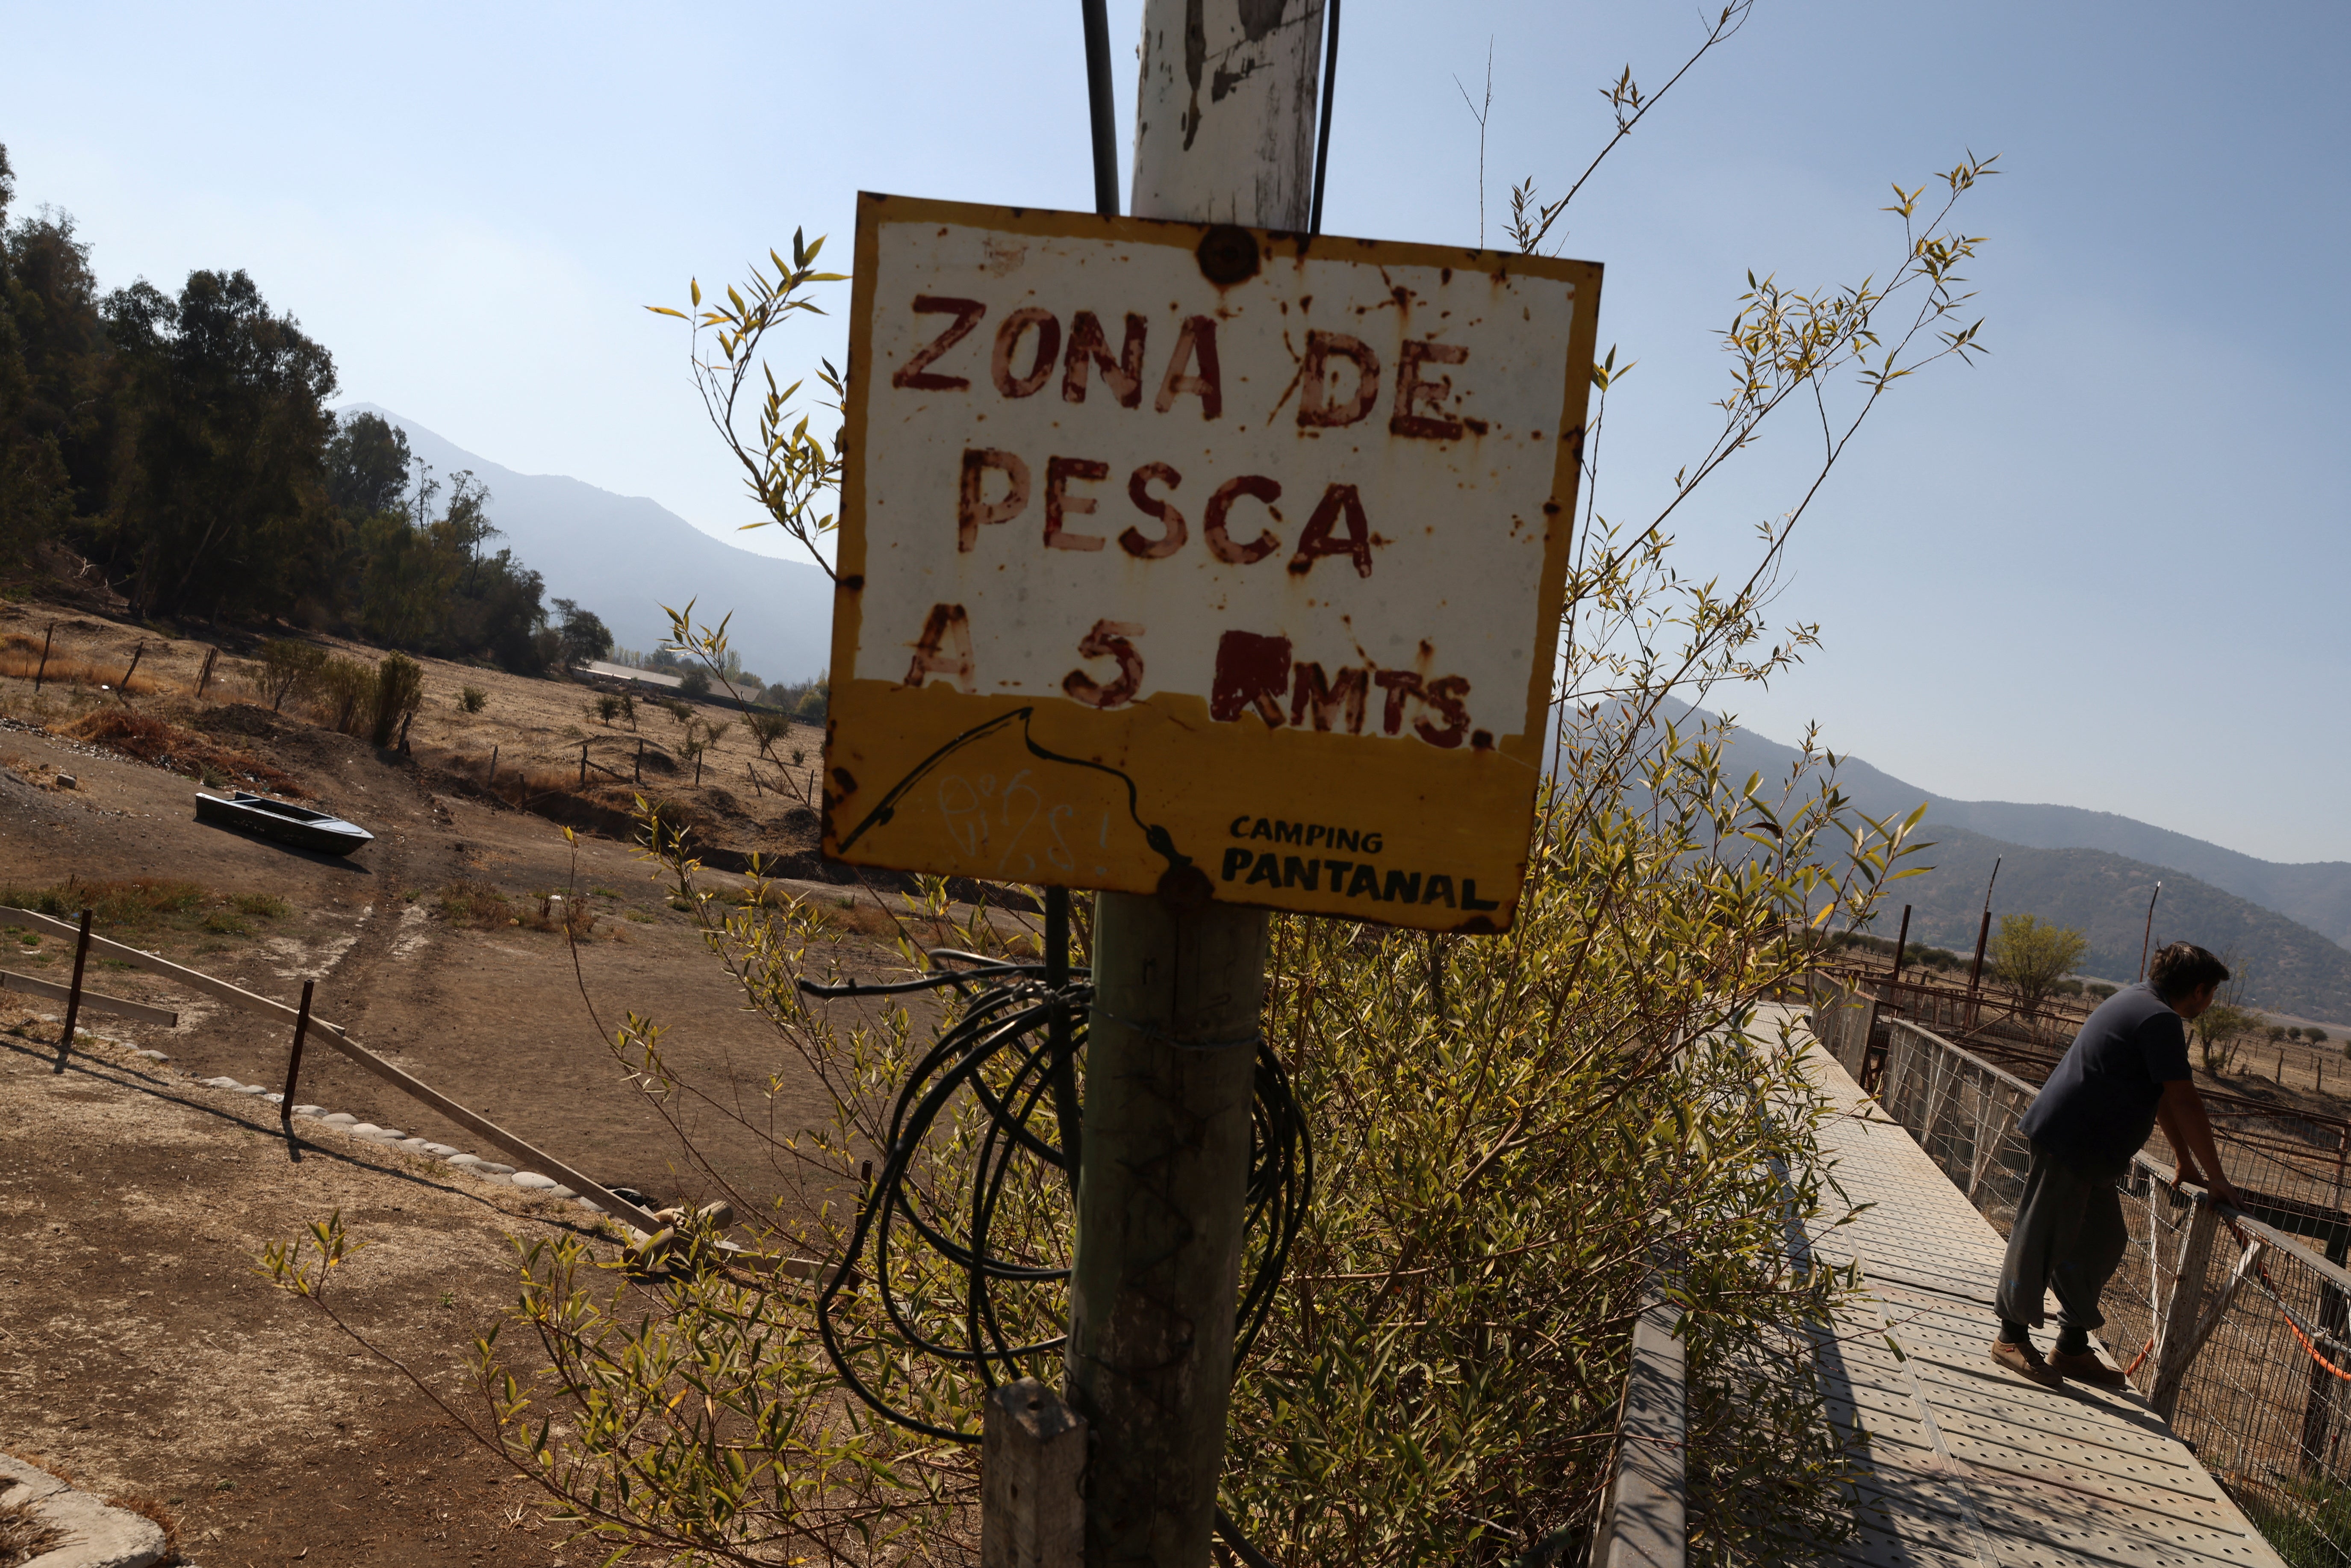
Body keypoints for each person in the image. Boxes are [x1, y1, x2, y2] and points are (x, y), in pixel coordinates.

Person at [1990, 941, 2243, 1388]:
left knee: (2102, 1241)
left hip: (2092, 1150)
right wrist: (2218, 1178)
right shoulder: (2160, 1017)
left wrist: (2186, 1162)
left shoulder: (2139, 1002)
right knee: (2042, 1235)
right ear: (2200, 990)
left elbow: (2161, 1093)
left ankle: (2070, 1346)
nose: (2209, 1003)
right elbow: (2184, 1099)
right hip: (2072, 1139)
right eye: (2211, 994)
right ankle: (2010, 1336)